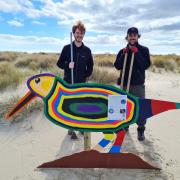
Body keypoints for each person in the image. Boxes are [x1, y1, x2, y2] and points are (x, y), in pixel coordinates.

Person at [57, 21, 94, 140]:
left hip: (81, 84)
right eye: (77, 33)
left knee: (81, 107)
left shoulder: (87, 50)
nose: (79, 35)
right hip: (68, 83)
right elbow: (59, 63)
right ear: (73, 34)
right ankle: (71, 129)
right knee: (69, 107)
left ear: (84, 35)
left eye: (81, 33)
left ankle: (81, 128)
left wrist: (85, 76)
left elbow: (91, 66)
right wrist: (67, 65)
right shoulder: (67, 48)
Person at [114, 27, 151, 141]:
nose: (132, 37)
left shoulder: (144, 50)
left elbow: (145, 65)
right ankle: (124, 127)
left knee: (140, 108)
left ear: (137, 36)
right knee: (121, 108)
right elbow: (117, 66)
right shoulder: (122, 51)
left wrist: (137, 53)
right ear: (127, 37)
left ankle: (141, 129)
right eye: (130, 35)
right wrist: (123, 55)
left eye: (134, 35)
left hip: (137, 85)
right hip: (124, 85)